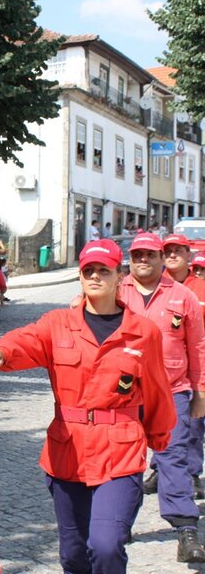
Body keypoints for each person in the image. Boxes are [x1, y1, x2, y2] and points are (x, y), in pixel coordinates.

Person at [0, 239, 176, 573]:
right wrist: (2, 350)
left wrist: (159, 440)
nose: (95, 276)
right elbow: (27, 339)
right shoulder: (58, 323)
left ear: (119, 276)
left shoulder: (142, 332)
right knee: (73, 554)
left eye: (103, 270)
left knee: (106, 544)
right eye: (88, 271)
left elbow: (157, 390)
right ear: (80, 277)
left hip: (120, 452)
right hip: (67, 451)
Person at [118, 232, 205, 562]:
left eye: (150, 255)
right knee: (123, 463)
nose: (143, 260)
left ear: (159, 258)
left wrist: (200, 392)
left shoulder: (182, 296)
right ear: (130, 258)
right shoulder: (115, 290)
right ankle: (118, 523)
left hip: (172, 392)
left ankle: (186, 531)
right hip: (123, 394)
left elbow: (197, 347)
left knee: (174, 460)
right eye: (137, 254)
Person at [143, 234, 205, 501]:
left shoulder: (199, 288)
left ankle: (190, 473)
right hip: (162, 371)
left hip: (195, 364)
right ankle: (161, 468)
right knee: (162, 422)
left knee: (192, 424)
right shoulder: (155, 286)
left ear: (188, 255)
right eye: (167, 251)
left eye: (178, 250)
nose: (172, 255)